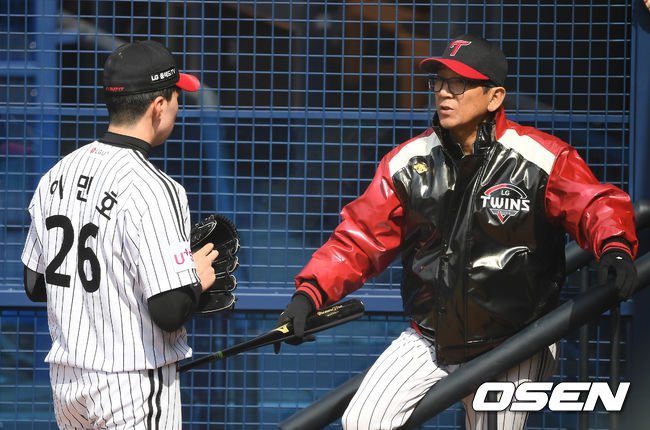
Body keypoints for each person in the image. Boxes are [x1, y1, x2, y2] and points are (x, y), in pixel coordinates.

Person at [274, 34, 638, 430]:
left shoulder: (541, 156)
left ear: (495, 96)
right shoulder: (409, 161)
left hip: (516, 338)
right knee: (363, 421)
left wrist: (615, 247)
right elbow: (359, 238)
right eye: (438, 82)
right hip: (431, 335)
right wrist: (309, 296)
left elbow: (594, 204)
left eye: (459, 83)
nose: (444, 93)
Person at [21, 40, 218, 429]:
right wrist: (196, 279)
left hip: (68, 384)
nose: (179, 106)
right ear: (158, 107)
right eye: (177, 96)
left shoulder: (55, 176)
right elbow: (169, 310)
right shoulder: (156, 188)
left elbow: (35, 284)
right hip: (132, 386)